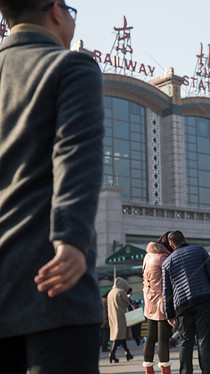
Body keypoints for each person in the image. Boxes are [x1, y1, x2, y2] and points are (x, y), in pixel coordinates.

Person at [0, 2, 104, 373]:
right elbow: (76, 153)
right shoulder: (70, 67)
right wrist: (70, 240)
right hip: (56, 281)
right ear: (57, 11)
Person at [162, 230, 210, 374]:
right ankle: (207, 372)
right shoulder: (200, 250)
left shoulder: (166, 263)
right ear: (185, 239)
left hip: (182, 306)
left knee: (185, 341)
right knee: (203, 339)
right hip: (204, 300)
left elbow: (167, 291)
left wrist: (169, 313)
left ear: (171, 245)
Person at [142, 232, 174, 374]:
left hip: (149, 300)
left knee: (150, 336)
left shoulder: (148, 256)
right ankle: (165, 371)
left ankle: (149, 370)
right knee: (163, 338)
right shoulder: (164, 258)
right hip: (161, 301)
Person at [107, 277, 134, 363]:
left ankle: (127, 352)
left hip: (112, 316)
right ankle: (112, 353)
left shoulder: (110, 293)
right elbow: (127, 303)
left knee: (120, 335)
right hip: (121, 316)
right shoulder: (120, 292)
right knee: (119, 335)